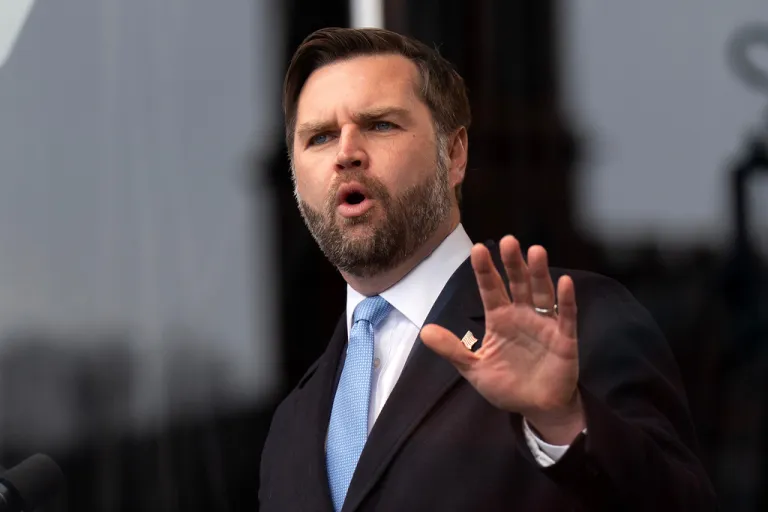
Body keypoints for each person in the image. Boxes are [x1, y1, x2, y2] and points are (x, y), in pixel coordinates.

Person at [259, 27, 717, 511]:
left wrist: (563, 423)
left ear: (454, 155)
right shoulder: (292, 424)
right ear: (296, 179)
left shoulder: (578, 322)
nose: (346, 153)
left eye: (380, 125)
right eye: (320, 137)